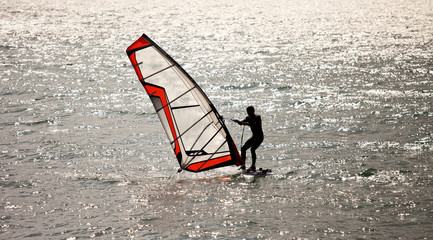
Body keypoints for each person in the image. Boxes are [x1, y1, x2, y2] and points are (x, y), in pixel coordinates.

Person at [232, 106, 264, 172]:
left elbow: (253, 124)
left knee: (252, 149)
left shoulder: (257, 117)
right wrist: (238, 122)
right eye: (247, 112)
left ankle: (253, 166)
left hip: (259, 137)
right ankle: (243, 165)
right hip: (254, 137)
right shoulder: (248, 118)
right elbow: (242, 122)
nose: (248, 113)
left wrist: (244, 123)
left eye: (249, 111)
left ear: (253, 111)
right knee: (243, 149)